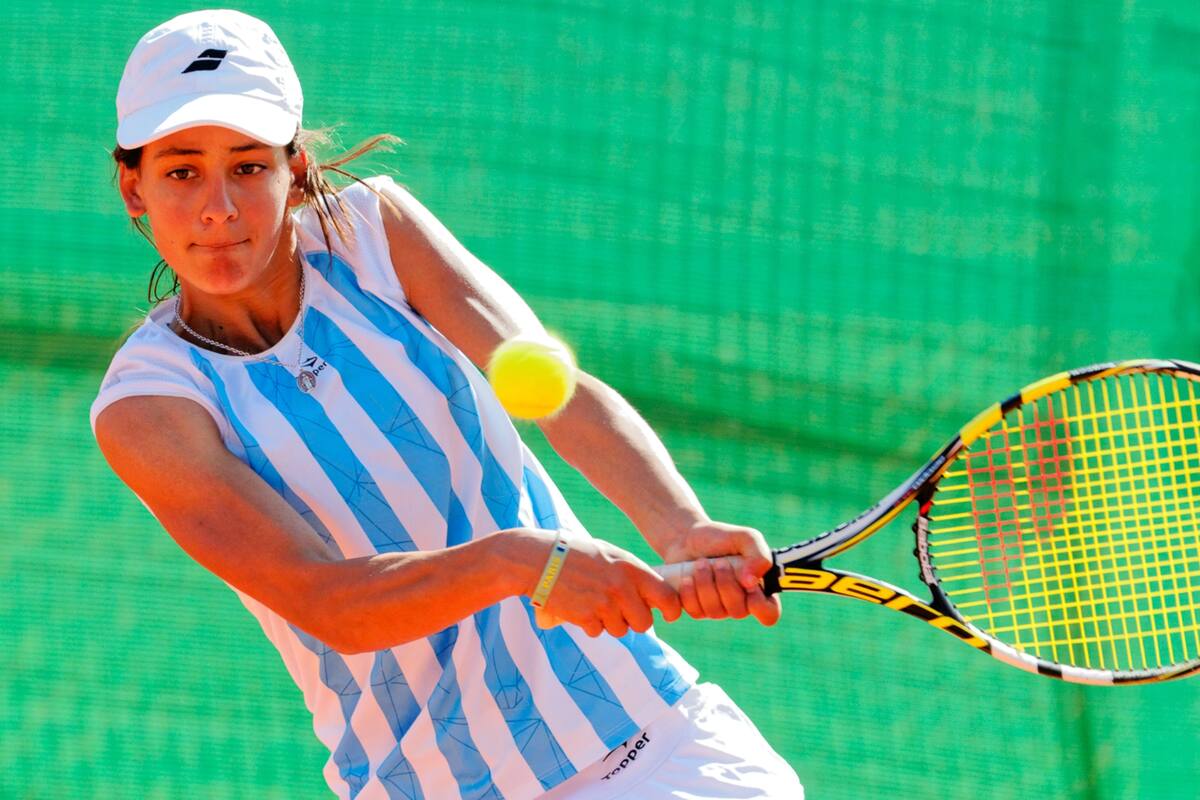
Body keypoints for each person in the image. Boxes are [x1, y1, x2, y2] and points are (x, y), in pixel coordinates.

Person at [92, 9, 804, 799]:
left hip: (657, 746)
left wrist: (679, 526)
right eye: (182, 172)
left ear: (296, 167)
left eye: (249, 166)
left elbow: (555, 392)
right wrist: (524, 563)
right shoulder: (147, 408)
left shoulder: (377, 233)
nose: (219, 207)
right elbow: (328, 600)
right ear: (134, 188)